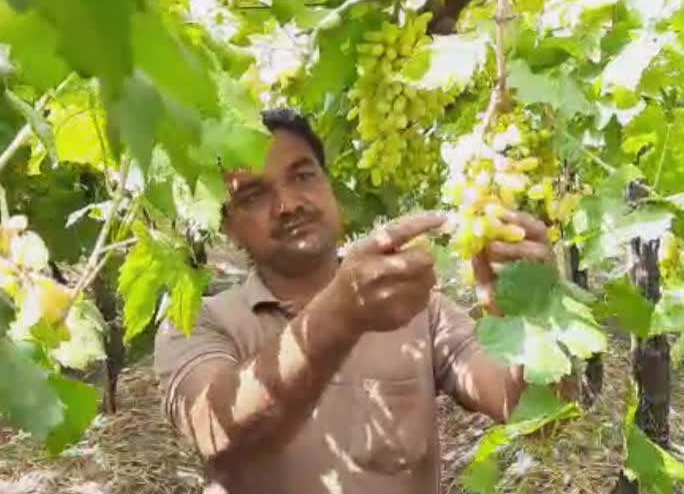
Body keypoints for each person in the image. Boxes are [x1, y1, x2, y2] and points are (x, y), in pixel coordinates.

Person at [154, 108, 555, 494]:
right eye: (255, 195)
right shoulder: (198, 323)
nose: (289, 204)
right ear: (228, 228)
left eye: (303, 176)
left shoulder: (421, 311)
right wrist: (343, 312)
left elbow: (534, 416)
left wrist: (528, 315)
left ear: (332, 189)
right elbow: (214, 428)